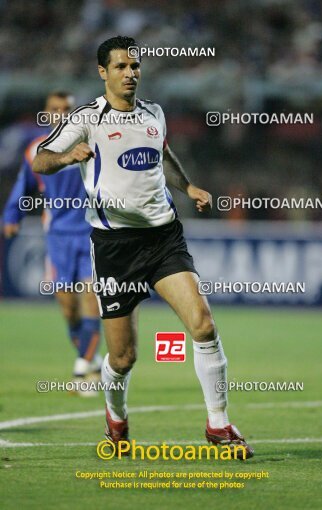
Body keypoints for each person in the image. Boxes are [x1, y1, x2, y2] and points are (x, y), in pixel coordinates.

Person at [32, 37, 254, 457]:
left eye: (135, 66)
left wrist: (187, 186)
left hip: (164, 238)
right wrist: (65, 157)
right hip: (115, 247)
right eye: (120, 67)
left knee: (204, 326)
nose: (130, 73)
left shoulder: (154, 113)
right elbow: (40, 159)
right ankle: (116, 419)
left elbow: (163, 155)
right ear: (103, 73)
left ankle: (218, 424)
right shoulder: (86, 119)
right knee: (124, 357)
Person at [3, 91, 102, 395]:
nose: (60, 113)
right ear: (46, 114)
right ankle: (92, 362)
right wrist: (12, 214)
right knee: (68, 310)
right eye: (54, 109)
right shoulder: (36, 150)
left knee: (90, 301)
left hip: (91, 234)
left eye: (67, 109)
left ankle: (81, 372)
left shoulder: (95, 145)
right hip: (57, 238)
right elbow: (25, 185)